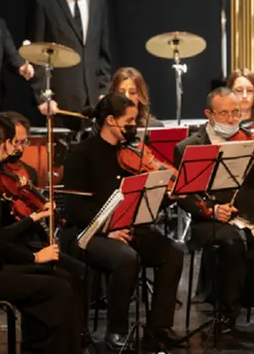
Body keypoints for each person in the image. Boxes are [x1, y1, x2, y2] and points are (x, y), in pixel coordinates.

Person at [59, 93, 185, 351]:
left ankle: (158, 328)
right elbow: (74, 208)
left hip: (127, 227)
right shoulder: (81, 154)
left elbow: (144, 204)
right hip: (87, 233)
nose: (134, 126)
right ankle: (116, 332)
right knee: (126, 258)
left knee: (173, 252)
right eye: (129, 121)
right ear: (110, 121)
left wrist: (165, 195)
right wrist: (108, 229)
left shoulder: (131, 154)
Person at [0, 115, 82, 353]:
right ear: (6, 144)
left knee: (62, 279)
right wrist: (34, 258)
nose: (19, 148)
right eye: (16, 142)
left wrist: (33, 220)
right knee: (58, 289)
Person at [173, 87, 254, 332]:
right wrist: (211, 209)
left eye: (236, 113)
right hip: (210, 217)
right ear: (208, 114)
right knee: (233, 243)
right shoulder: (188, 147)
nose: (232, 120)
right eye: (224, 114)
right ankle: (227, 313)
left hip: (250, 211)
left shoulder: (248, 140)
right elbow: (184, 195)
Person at [26, 0, 112, 131]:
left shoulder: (97, 1)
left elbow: (102, 52)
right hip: (59, 102)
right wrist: (43, 97)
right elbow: (37, 55)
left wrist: (103, 90)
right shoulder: (43, 1)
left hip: (92, 102)